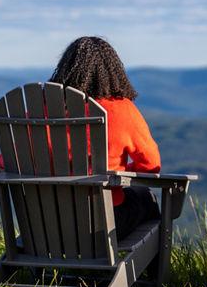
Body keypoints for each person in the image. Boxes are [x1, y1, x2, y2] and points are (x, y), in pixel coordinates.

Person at [49, 36, 162, 240]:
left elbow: (8, 161)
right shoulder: (123, 111)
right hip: (104, 222)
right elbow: (151, 166)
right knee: (148, 199)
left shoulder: (44, 110)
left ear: (65, 69)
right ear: (113, 72)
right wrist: (120, 173)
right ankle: (152, 272)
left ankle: (35, 268)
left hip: (48, 223)